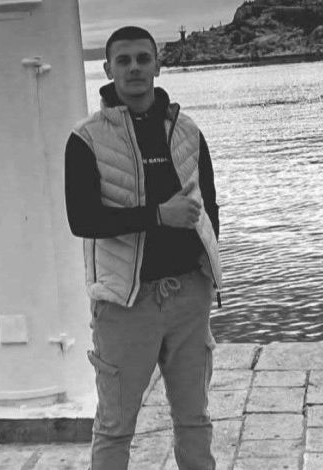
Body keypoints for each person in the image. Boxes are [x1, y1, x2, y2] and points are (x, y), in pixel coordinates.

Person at [64, 26, 222, 470]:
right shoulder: (85, 139)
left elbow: (208, 207)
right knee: (115, 426)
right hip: (125, 303)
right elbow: (82, 220)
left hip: (189, 295)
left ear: (157, 65)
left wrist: (206, 271)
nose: (134, 68)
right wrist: (157, 215)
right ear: (108, 69)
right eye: (124, 60)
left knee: (194, 419)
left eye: (143, 58)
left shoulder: (187, 130)